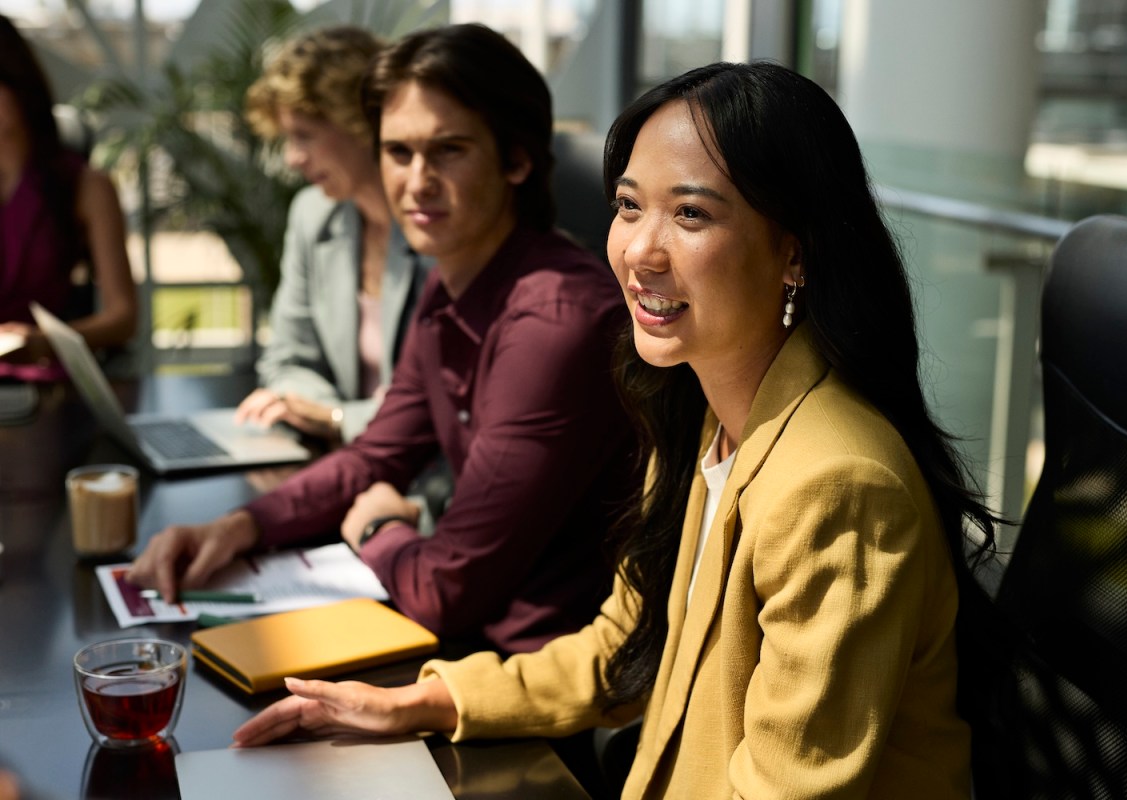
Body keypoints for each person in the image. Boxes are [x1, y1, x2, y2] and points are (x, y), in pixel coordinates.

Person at [230, 61, 1000, 799]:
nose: (638, 252)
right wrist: (418, 704)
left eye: (691, 214)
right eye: (629, 206)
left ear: (793, 253)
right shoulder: (706, 423)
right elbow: (621, 649)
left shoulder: (836, 484)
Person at [128, 24, 637, 655]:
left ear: (516, 160)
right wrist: (237, 528)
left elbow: (446, 590)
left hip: (536, 676)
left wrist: (379, 528)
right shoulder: (452, 281)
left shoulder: (554, 320)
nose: (416, 181)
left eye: (448, 150)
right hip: (467, 646)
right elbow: (375, 456)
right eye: (398, 152)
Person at [234, 26, 428, 443]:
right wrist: (320, 413)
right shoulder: (312, 214)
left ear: (360, 123)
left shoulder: (436, 221)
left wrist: (340, 419)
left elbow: (446, 399)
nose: (292, 158)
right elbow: (286, 359)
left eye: (304, 136)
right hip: (343, 453)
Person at [0, 14, 136, 381]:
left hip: (42, 377)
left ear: (18, 86)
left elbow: (123, 316)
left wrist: (45, 343)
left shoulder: (86, 187)